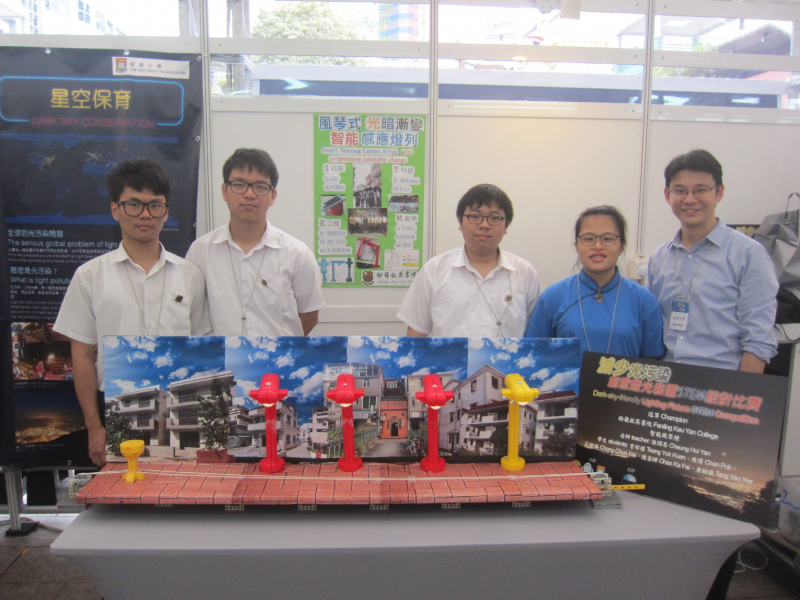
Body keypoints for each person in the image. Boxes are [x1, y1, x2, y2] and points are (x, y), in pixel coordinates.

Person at [54, 158, 211, 466]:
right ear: (115, 209)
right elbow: (82, 356)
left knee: (179, 492)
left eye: (155, 205)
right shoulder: (90, 276)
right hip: (115, 406)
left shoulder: (190, 275)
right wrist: (94, 428)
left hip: (179, 407)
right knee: (122, 492)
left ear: (166, 211)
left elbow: (200, 351)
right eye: (134, 205)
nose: (145, 214)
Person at [647, 149, 778, 373]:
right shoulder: (659, 258)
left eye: (701, 190)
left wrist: (739, 392)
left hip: (721, 385)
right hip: (666, 383)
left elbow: (758, 343)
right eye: (680, 191)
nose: (690, 199)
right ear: (668, 195)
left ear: (719, 192)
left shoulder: (748, 254)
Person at [186, 148, 324, 336]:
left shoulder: (298, 254)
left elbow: (309, 318)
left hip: (278, 355)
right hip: (221, 355)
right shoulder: (200, 251)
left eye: (260, 186)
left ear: (273, 196)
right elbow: (193, 313)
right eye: (239, 185)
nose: (249, 194)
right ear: (225, 191)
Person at [397, 183, 539, 337]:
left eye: (494, 218)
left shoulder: (525, 273)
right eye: (475, 216)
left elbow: (535, 335)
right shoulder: (433, 270)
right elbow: (416, 335)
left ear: (506, 226)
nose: (484, 225)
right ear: (460, 222)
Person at [526, 206, 664, 358]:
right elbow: (534, 355)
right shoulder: (553, 298)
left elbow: (653, 361)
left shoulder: (643, 300)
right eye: (588, 239)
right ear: (576, 246)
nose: (597, 246)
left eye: (608, 239)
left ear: (621, 246)